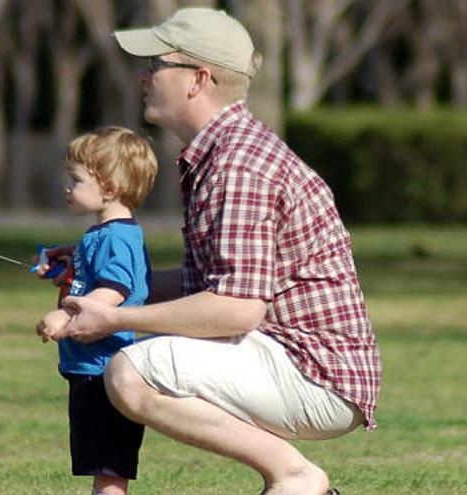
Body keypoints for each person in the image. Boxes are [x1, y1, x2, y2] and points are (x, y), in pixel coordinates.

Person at [51, 8, 382, 495]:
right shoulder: (223, 152)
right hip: (295, 359)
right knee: (136, 363)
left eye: (158, 65)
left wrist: (115, 321)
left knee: (130, 372)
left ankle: (295, 475)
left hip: (314, 373)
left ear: (197, 79)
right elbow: (212, 286)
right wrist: (97, 278)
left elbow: (237, 308)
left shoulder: (237, 165)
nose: (145, 76)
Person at [34, 126, 158, 495]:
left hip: (104, 371)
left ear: (111, 187)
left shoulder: (116, 238)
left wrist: (67, 318)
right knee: (102, 466)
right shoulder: (103, 234)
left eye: (76, 179)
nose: (67, 187)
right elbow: (96, 277)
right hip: (89, 369)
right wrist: (69, 267)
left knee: (109, 470)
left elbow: (114, 291)